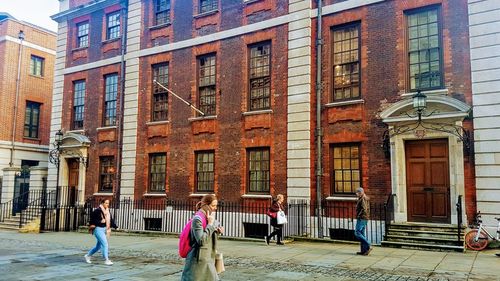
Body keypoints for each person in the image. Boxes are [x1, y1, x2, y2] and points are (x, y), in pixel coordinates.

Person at [181, 194, 224, 281]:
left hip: (206, 258)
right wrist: (210, 224)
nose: (215, 208)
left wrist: (218, 231)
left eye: (216, 205)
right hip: (198, 260)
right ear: (206, 205)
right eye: (213, 205)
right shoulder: (198, 219)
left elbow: (208, 236)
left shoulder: (207, 217)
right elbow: (201, 240)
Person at [84, 199, 118, 265]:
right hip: (98, 229)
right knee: (105, 244)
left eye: (108, 203)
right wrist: (100, 221)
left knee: (98, 246)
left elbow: (111, 220)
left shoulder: (107, 211)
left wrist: (115, 226)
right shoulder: (97, 211)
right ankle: (106, 260)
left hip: (104, 229)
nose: (107, 205)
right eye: (106, 203)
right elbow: (92, 221)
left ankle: (87, 255)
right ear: (102, 203)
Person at [355, 187, 372, 256]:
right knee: (362, 233)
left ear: (360, 192)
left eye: (357, 192)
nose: (356, 194)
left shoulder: (363, 199)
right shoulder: (364, 198)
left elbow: (364, 209)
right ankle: (364, 251)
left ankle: (368, 244)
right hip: (365, 218)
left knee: (357, 232)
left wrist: (359, 215)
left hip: (362, 218)